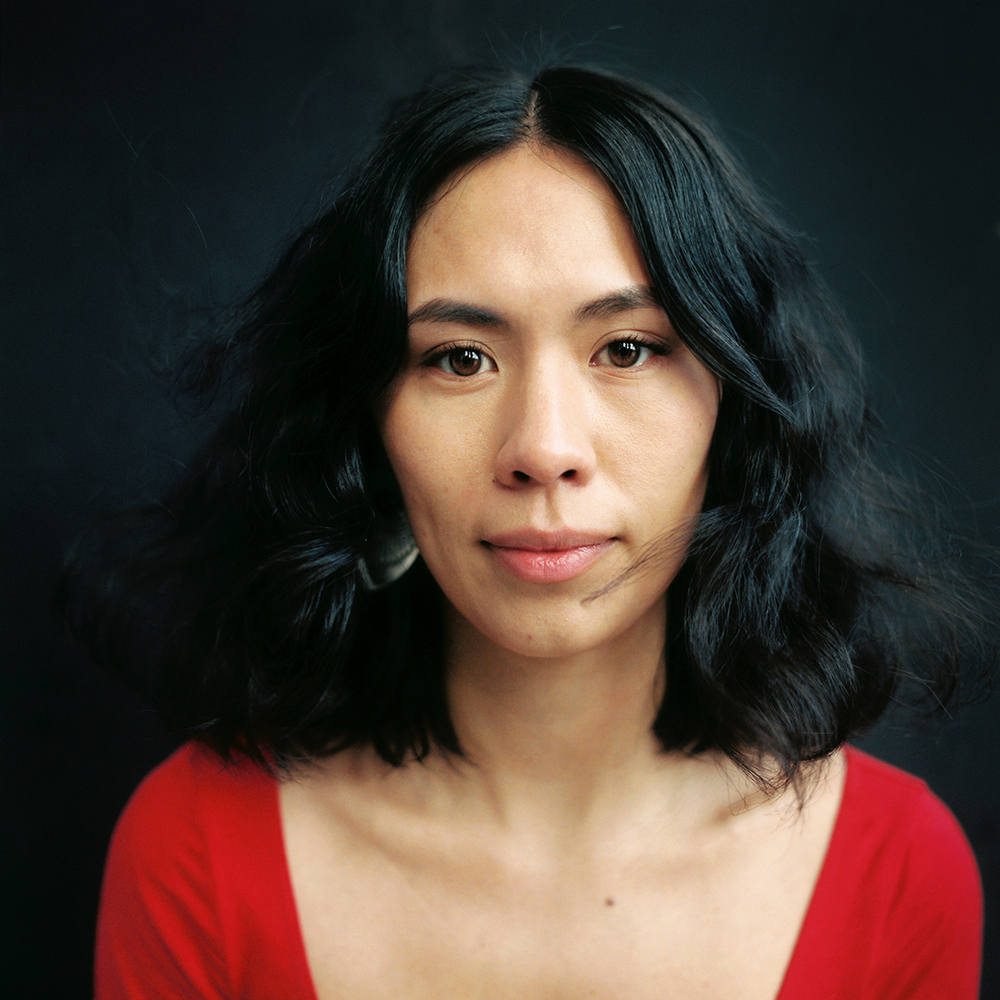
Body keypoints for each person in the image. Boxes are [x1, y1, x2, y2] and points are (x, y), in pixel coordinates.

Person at [64, 65, 989, 998]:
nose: (543, 450)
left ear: (734, 406)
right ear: (366, 427)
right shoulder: (195, 849)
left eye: (627, 348)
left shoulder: (901, 871)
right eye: (460, 359)